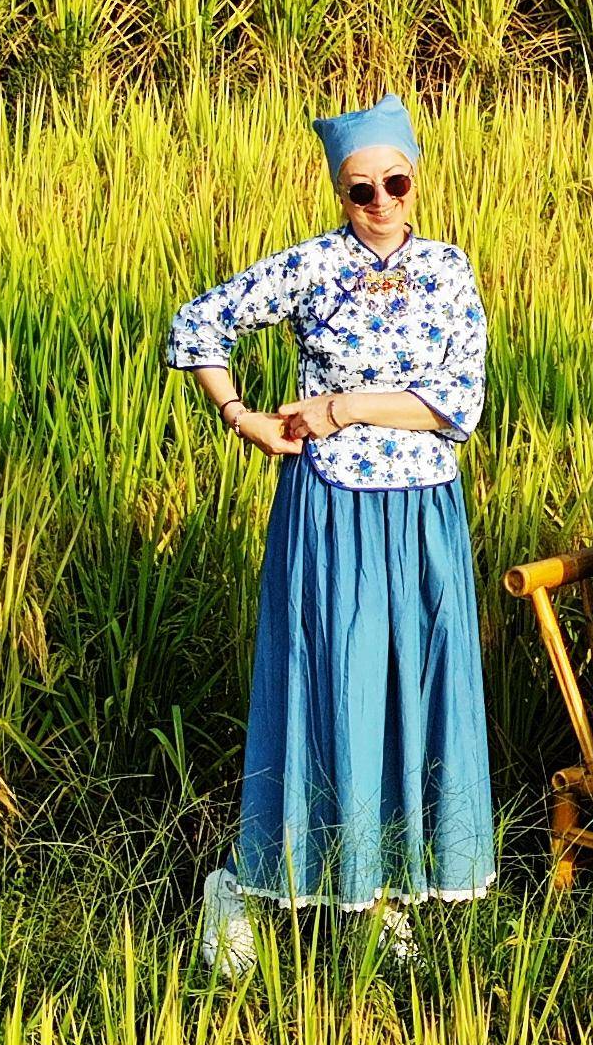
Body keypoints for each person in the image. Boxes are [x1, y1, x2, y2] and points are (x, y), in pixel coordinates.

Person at [167, 93, 492, 973]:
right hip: (330, 504)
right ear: (338, 194)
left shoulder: (450, 269)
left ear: (416, 180)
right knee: (327, 679)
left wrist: (340, 405)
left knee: (413, 685)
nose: (381, 202)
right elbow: (196, 324)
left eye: (394, 182)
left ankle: (387, 889)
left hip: (423, 508)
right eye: (361, 190)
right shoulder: (310, 266)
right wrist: (242, 416)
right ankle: (245, 884)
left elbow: (458, 404)